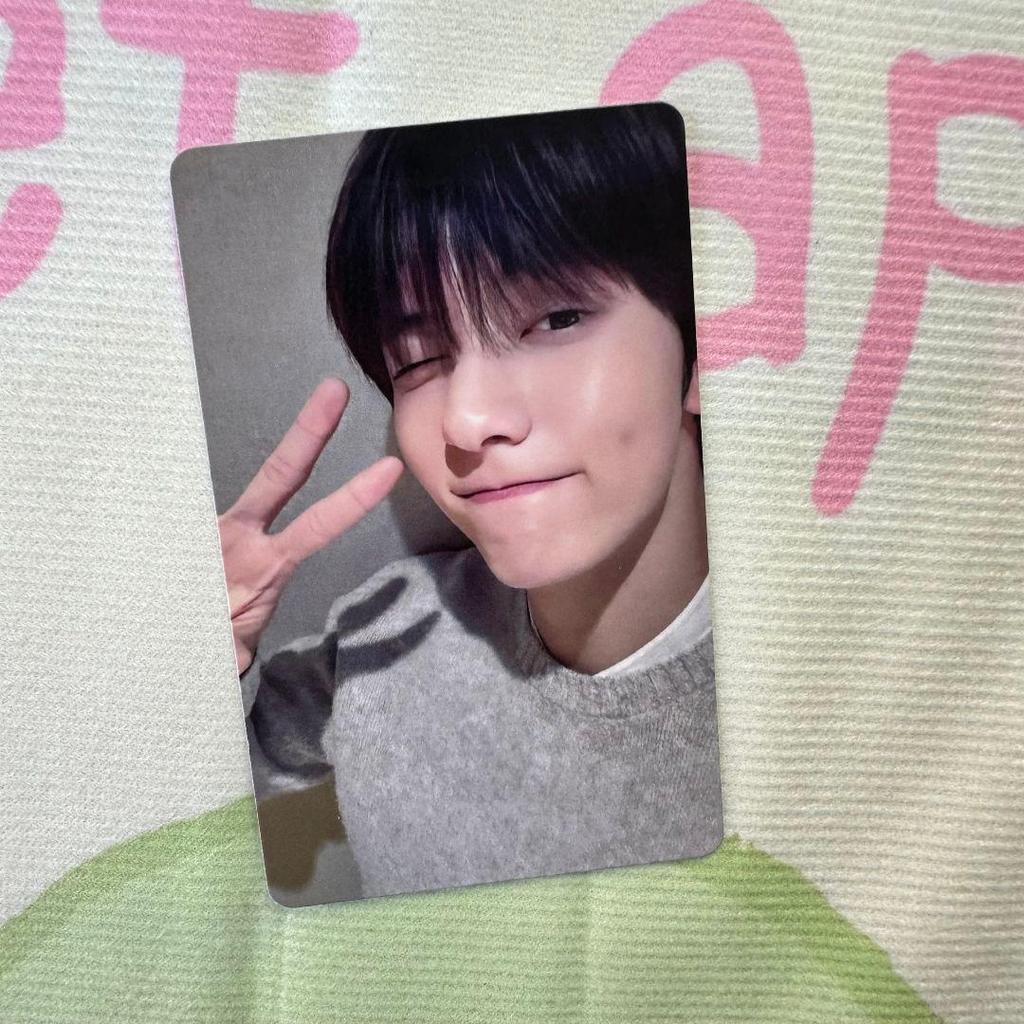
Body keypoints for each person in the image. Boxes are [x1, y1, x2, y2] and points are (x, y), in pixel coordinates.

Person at [220, 102, 721, 901]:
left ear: (704, 349)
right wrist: (193, 654)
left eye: (556, 318)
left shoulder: (834, 688)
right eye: (419, 360)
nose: (466, 419)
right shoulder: (387, 631)